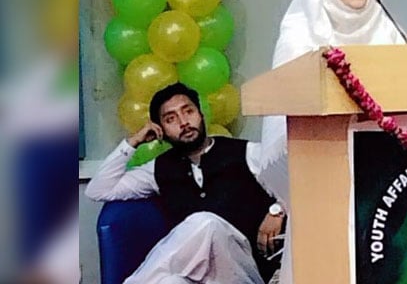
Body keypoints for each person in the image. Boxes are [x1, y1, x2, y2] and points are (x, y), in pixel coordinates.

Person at [255, 0, 407, 284]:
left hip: (388, 180)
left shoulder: (387, 29)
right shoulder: (300, 34)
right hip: (322, 183)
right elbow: (284, 118)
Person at [85, 83, 285, 284]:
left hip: (244, 271)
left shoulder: (245, 152)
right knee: (169, 282)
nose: (183, 122)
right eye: (170, 119)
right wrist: (134, 141)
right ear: (160, 130)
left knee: (206, 223)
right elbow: (99, 189)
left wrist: (277, 209)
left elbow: (298, 178)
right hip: (199, 279)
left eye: (188, 111)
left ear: (201, 115)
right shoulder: (159, 169)